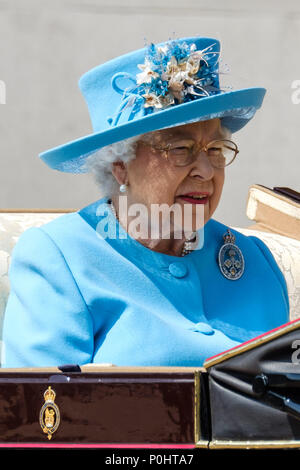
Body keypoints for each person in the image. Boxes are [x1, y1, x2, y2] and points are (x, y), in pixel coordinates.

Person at [1, 36, 289, 368]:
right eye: (181, 149)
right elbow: (42, 409)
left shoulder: (256, 261)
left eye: (216, 150)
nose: (207, 171)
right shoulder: (60, 258)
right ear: (120, 165)